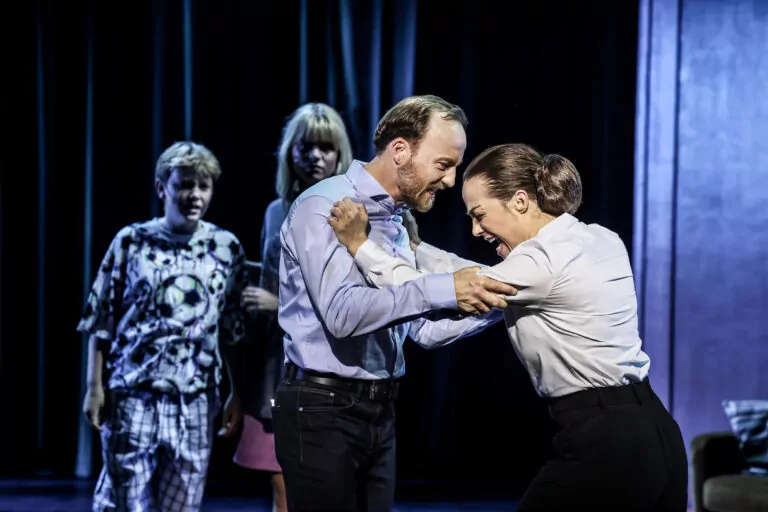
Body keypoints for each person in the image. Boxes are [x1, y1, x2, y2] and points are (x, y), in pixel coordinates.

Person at [329, 143, 689, 511]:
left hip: (605, 442)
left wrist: (360, 245)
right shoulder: (598, 237)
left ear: (519, 201)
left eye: (480, 215)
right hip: (658, 433)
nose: (475, 230)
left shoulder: (541, 260)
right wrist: (417, 247)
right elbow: (473, 278)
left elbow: (433, 291)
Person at [272, 95, 517, 512]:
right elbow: (342, 314)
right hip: (320, 408)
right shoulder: (325, 205)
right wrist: (445, 289)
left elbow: (420, 330)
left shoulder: (396, 220)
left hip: (379, 408)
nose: (450, 181)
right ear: (400, 150)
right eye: (444, 165)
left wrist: (499, 302)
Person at [79, 141, 247, 512]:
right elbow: (100, 318)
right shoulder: (131, 241)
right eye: (184, 184)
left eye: (203, 186)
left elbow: (232, 329)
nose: (195, 194)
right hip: (134, 392)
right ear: (161, 187)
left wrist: (236, 392)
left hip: (195, 397)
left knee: (183, 503)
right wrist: (94, 387)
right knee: (125, 502)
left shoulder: (225, 247)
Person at [233, 102, 353, 512]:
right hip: (278, 365)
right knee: (281, 488)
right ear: (290, 153)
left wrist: (278, 304)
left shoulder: (352, 210)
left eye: (325, 147)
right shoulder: (276, 211)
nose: (315, 157)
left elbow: (351, 294)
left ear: (339, 153)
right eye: (306, 147)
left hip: (331, 367)